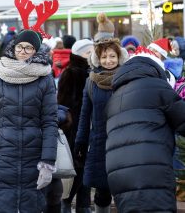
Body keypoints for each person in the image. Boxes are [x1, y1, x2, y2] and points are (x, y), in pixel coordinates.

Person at [0, 29, 58, 213]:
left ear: (36, 51)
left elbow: (49, 122)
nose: (23, 51)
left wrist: (48, 162)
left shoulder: (45, 78)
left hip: (33, 154)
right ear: (13, 47)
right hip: (1, 154)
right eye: (19, 46)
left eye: (28, 47)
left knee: (30, 206)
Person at [105, 46, 185, 213]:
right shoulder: (157, 86)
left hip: (118, 174)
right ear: (156, 68)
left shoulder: (115, 97)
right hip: (151, 169)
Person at [74, 38, 123, 213]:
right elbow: (84, 115)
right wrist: (80, 142)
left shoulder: (127, 79)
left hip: (123, 142)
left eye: (112, 56)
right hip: (99, 142)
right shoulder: (91, 82)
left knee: (123, 189)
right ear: (97, 59)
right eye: (104, 57)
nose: (108, 60)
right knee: (102, 191)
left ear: (119, 57)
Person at [58, 39, 94, 213]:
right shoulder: (71, 73)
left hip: (89, 129)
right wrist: (70, 126)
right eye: (88, 53)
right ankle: (67, 203)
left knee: (86, 171)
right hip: (74, 131)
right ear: (79, 54)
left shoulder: (92, 72)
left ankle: (84, 205)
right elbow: (63, 105)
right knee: (76, 170)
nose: (91, 56)